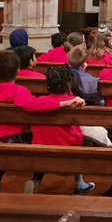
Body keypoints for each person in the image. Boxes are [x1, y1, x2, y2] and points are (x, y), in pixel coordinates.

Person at [24, 65, 94, 196]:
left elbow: (30, 104)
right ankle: (79, 182)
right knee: (86, 141)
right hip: (70, 153)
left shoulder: (40, 102)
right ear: (69, 84)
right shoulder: (75, 103)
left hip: (41, 152)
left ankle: (36, 180)